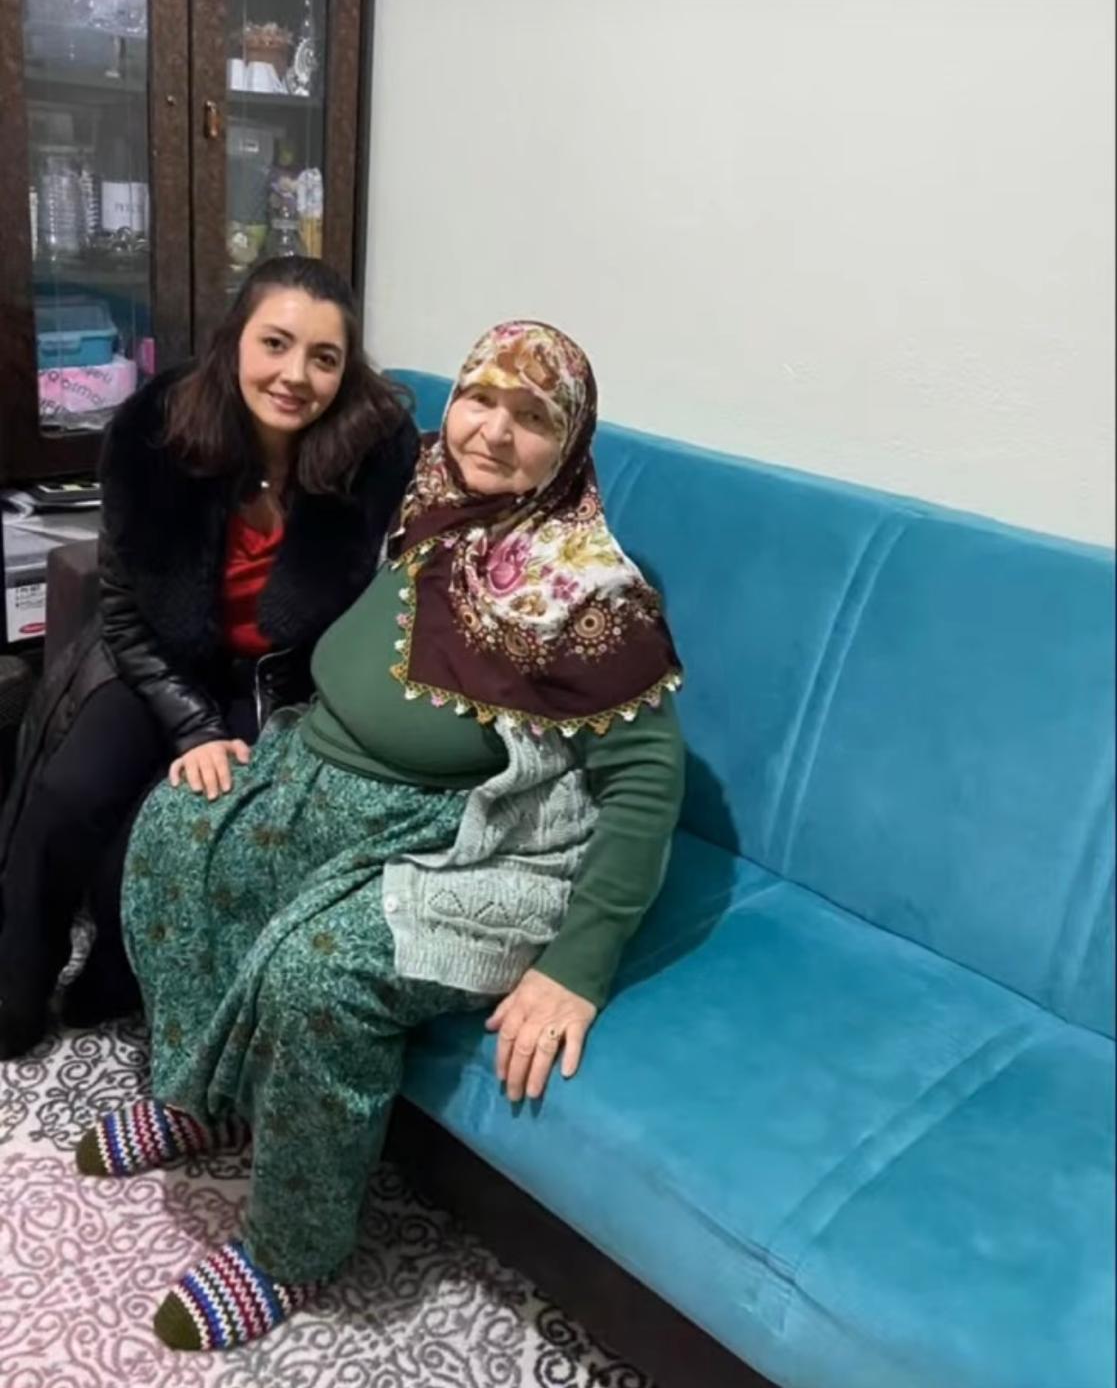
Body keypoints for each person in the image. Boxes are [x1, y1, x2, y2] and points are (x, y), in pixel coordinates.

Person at [76, 320, 685, 1354]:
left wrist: (576, 968)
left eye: (531, 416)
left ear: (571, 442)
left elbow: (646, 780)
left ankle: (291, 1248)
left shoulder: (590, 589)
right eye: (479, 397)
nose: (492, 430)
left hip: (460, 836)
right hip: (315, 765)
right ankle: (206, 1093)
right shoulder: (431, 494)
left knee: (320, 974)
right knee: (179, 832)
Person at [0, 257, 418, 1059]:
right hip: (151, 660)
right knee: (67, 793)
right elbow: (123, 608)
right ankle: (17, 981)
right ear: (234, 341)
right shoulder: (153, 431)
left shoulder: (375, 452)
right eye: (275, 343)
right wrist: (192, 728)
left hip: (271, 686)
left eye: (324, 358)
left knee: (167, 828)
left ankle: (116, 976)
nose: (295, 376)